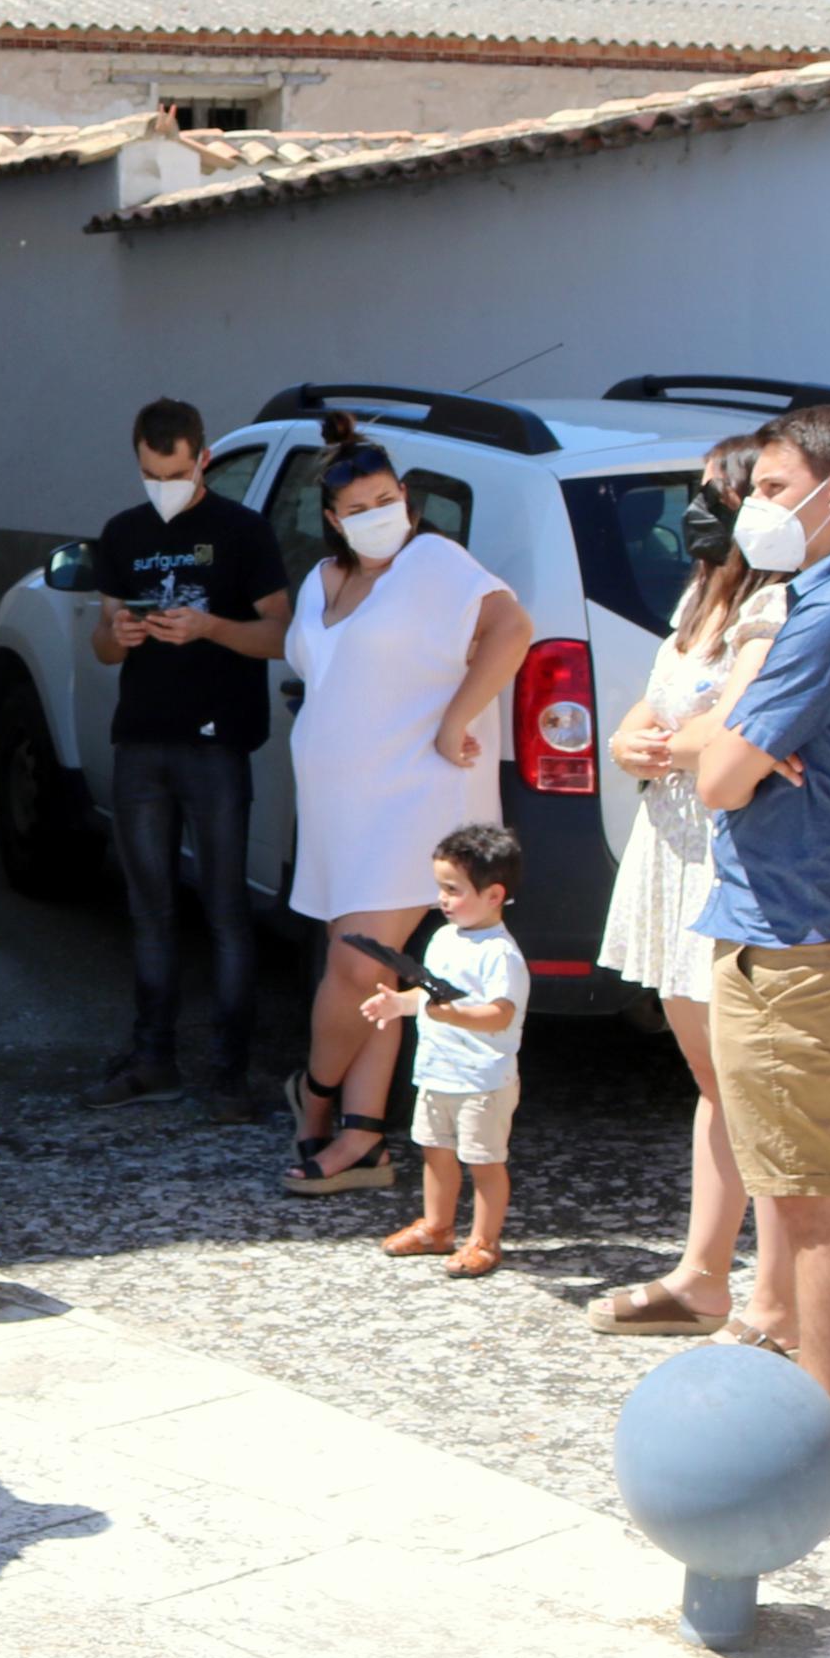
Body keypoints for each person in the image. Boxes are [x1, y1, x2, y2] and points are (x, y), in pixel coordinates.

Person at [676, 402, 830, 1520]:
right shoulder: (806, 600)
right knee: (801, 1180)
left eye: (771, 487)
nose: (749, 507)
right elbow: (718, 746)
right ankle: (807, 1415)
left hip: (804, 935)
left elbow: (720, 774)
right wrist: (724, 739)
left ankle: (826, 1459)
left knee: (819, 1203)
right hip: (775, 920)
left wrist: (722, 744)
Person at [279, 417, 530, 1193]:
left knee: (353, 964)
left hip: (407, 797)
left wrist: (457, 715)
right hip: (340, 806)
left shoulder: (433, 561)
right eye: (358, 505)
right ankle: (363, 1136)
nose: (377, 514)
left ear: (407, 501)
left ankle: (312, 1097)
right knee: (379, 972)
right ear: (331, 517)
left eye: (386, 499)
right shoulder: (324, 579)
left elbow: (511, 627)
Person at [589, 436, 798, 1341]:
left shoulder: (774, 605)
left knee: (761, 1090)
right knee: (716, 1082)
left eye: (717, 493)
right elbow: (659, 703)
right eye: (698, 492)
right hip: (669, 848)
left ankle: (778, 1297)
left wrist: (659, 742)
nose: (699, 508)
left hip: (728, 853)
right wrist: (632, 736)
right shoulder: (702, 594)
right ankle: (703, 1274)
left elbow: (728, 730)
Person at [80, 398, 290, 1114]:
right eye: (147, 472)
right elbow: (101, 644)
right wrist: (119, 631)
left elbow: (279, 634)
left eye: (172, 472)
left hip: (216, 744)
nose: (159, 484)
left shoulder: (242, 530)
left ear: (200, 459)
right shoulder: (123, 531)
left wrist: (206, 627)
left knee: (226, 909)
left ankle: (229, 1071)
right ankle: (151, 1058)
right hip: (139, 740)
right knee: (149, 909)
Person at [368, 824, 529, 1276]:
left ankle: (484, 1241)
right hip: (437, 1071)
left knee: (484, 1161)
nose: (442, 898)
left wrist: (452, 1015)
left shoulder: (500, 954)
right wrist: (398, 1003)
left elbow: (500, 1013)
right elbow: (430, 995)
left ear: (494, 895)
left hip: (482, 1079)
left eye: (453, 890)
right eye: (441, 887)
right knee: (435, 1152)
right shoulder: (444, 938)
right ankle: (437, 1227)